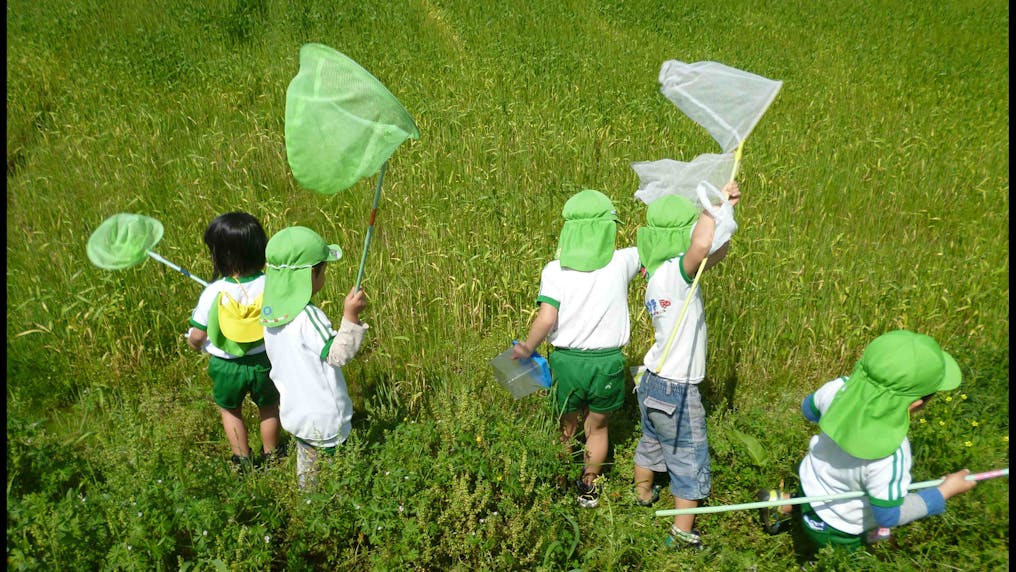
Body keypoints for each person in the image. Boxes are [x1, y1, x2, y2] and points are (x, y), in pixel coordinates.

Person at [760, 329, 978, 553]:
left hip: (809, 489)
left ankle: (783, 503)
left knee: (811, 501)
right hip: (840, 530)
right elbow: (888, 516)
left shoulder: (837, 389)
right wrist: (943, 492)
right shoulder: (892, 454)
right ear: (914, 406)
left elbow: (808, 409)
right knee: (841, 561)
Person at [512, 189, 642, 509]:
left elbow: (547, 317)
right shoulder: (623, 261)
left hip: (567, 363)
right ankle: (589, 488)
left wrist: (528, 347)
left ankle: (558, 482)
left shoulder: (554, 270)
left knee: (566, 427)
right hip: (608, 362)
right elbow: (658, 247)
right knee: (597, 428)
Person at [631, 180, 741, 551]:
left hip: (652, 382)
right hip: (678, 388)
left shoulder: (659, 276)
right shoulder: (675, 276)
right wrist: (712, 209)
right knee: (688, 456)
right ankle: (682, 532)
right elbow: (702, 246)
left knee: (652, 442)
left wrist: (727, 211)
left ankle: (643, 493)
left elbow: (714, 252)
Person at [259, 226, 368, 489]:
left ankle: (308, 507)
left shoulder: (271, 317)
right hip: (326, 418)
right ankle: (341, 511)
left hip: (297, 416)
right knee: (339, 475)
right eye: (323, 270)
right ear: (311, 274)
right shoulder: (308, 317)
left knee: (308, 473)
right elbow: (337, 354)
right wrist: (350, 317)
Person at [186, 211, 282, 471]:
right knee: (270, 406)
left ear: (219, 255)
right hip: (266, 361)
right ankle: (272, 454)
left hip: (226, 365)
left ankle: (242, 459)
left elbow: (197, 334)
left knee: (231, 410)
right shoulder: (271, 284)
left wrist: (194, 345)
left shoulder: (213, 292)